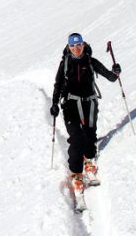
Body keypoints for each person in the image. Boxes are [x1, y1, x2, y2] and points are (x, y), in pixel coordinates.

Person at [50, 33, 121, 194]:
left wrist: (116, 71)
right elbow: (58, 84)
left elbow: (110, 77)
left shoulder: (90, 61)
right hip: (70, 103)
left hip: (89, 101)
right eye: (73, 46)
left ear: (83, 45)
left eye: (79, 45)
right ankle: (76, 172)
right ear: (69, 47)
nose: (77, 48)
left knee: (90, 133)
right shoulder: (65, 63)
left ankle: (89, 157)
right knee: (76, 137)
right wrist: (54, 103)